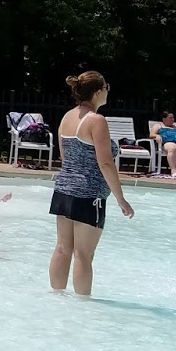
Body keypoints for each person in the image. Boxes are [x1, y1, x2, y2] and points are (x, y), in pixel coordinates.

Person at [49, 70, 134, 296]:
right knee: (83, 255)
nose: (107, 92)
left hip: (63, 189)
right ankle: (83, 308)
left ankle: (55, 298)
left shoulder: (68, 116)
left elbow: (65, 157)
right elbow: (105, 163)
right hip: (89, 194)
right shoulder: (96, 120)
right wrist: (120, 198)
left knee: (62, 249)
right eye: (106, 88)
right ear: (98, 92)